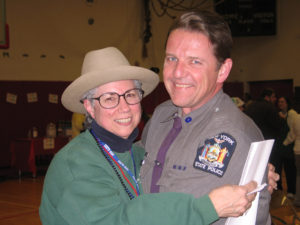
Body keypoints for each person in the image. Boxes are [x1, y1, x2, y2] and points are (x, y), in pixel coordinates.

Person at [39, 47, 258, 225]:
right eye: (109, 98)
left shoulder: (137, 153)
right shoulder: (76, 164)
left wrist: (246, 168)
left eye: (131, 95)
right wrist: (207, 208)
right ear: (89, 106)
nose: (124, 107)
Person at [140, 11, 273, 225]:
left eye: (194, 62)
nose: (177, 73)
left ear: (222, 70)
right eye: (172, 58)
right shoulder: (162, 115)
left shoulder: (231, 136)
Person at [277, 96, 298, 198]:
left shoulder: (292, 114)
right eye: (279, 102)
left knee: (290, 169)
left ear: (287, 103)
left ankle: (291, 191)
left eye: (282, 102)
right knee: (279, 168)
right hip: (281, 147)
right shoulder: (277, 114)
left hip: (289, 146)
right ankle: (279, 190)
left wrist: (285, 143)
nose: (280, 104)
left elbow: (293, 131)